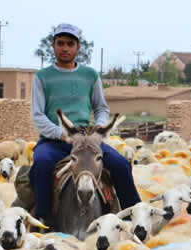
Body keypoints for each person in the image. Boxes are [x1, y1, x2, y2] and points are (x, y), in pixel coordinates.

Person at [29, 23, 141, 229]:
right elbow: (38, 115)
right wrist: (59, 133)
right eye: (60, 43)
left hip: (88, 141)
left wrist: (98, 130)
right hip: (56, 140)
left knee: (120, 164)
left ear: (78, 47)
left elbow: (101, 108)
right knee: (42, 162)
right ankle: (43, 220)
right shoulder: (42, 77)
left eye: (70, 44)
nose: (65, 48)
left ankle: (132, 217)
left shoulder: (90, 75)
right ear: (53, 46)